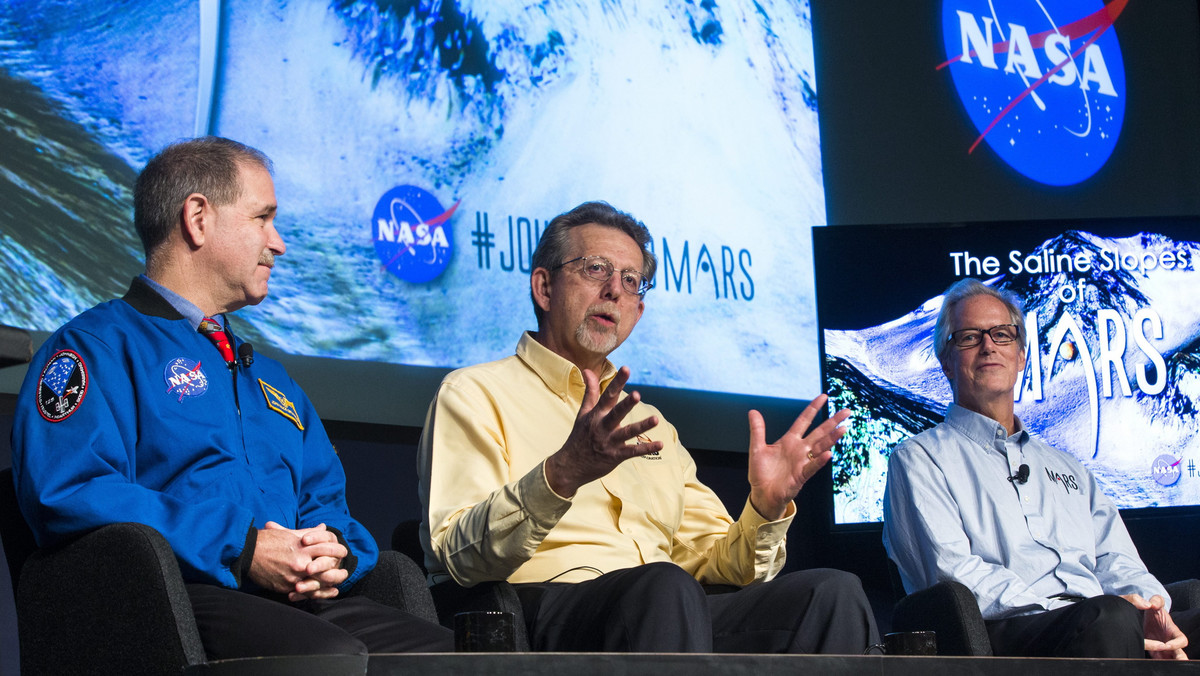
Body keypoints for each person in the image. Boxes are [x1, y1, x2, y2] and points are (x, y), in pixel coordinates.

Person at [10, 136, 452, 659]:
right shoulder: (97, 348)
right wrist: (242, 547)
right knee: (328, 657)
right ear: (198, 218)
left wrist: (331, 551)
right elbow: (71, 488)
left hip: (299, 602)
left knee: (467, 661)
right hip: (176, 599)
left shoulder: (273, 379)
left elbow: (325, 500)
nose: (279, 242)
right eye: (262, 218)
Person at [417, 200, 878, 653]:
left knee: (831, 595)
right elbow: (455, 554)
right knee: (664, 588)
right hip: (542, 611)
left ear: (638, 312)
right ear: (544, 288)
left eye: (631, 281)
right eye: (596, 269)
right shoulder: (475, 393)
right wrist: (560, 475)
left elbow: (721, 564)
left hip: (668, 612)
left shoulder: (655, 428)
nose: (615, 290)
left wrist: (765, 506)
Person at [883, 277, 1200, 659]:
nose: (988, 346)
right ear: (946, 362)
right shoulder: (919, 460)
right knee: (1110, 617)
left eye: (1002, 334)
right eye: (969, 337)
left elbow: (1116, 559)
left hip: (1098, 618)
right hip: (1008, 633)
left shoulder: (1070, 468)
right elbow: (953, 576)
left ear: (1021, 356)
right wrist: (1076, 611)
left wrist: (1153, 612)